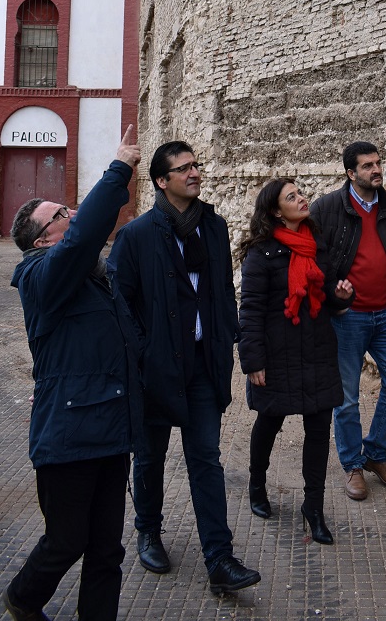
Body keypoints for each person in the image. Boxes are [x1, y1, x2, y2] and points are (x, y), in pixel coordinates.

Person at [107, 142, 260, 595]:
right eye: (184, 168)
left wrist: (226, 336)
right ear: (161, 180)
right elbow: (121, 303)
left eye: (196, 165)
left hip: (202, 367)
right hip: (154, 370)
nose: (195, 173)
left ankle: (219, 558)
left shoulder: (212, 226)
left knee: (205, 461)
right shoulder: (136, 236)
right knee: (150, 458)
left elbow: (220, 291)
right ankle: (148, 531)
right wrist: (143, 352)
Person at [4, 126, 143, 621]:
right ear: (44, 239)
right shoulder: (41, 276)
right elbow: (84, 236)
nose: (73, 215)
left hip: (112, 430)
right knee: (66, 541)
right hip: (68, 434)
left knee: (107, 549)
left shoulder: (93, 278)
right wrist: (120, 167)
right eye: (61, 214)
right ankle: (22, 599)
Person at [238, 178, 353, 544]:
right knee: (269, 421)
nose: (303, 199)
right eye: (292, 196)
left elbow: (330, 298)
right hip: (277, 353)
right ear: (275, 210)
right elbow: (251, 310)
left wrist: (340, 295)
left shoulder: (317, 244)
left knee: (319, 430)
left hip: (317, 348)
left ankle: (313, 509)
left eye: (301, 193)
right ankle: (257, 485)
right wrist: (252, 360)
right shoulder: (260, 253)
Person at [310, 141, 386, 502]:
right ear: (350, 173)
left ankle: (376, 452)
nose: (376, 170)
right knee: (347, 398)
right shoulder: (327, 208)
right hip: (347, 317)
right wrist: (331, 295)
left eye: (377, 163)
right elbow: (314, 258)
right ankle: (353, 465)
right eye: (367, 165)